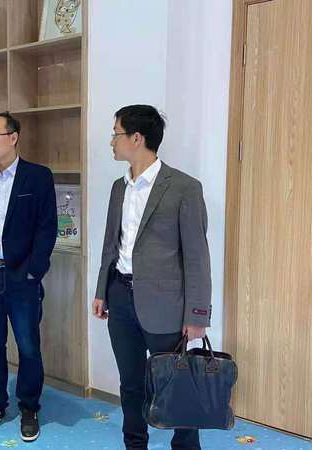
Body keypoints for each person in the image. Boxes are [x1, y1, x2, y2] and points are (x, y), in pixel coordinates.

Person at [92, 105, 211, 450]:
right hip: (120, 298)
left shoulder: (184, 188)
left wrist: (197, 315)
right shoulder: (119, 187)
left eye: (115, 134)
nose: (111, 141)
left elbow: (197, 257)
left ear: (136, 138)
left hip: (166, 306)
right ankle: (135, 444)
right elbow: (111, 244)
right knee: (131, 384)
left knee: (175, 384)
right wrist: (102, 290)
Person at [0, 112, 57, 442]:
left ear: (13, 137)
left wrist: (33, 271)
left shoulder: (38, 177)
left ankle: (29, 407)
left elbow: (47, 228)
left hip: (22, 277)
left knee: (28, 347)